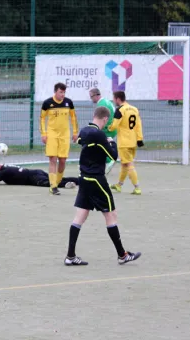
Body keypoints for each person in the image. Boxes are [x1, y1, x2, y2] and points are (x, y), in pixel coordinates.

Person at [64, 106, 141, 266]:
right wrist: (111, 142)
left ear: (94, 116)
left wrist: (101, 143)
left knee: (80, 217)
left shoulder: (84, 131)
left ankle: (70, 256)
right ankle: (122, 255)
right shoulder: (99, 135)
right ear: (105, 119)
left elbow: (80, 141)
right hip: (97, 180)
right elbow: (113, 156)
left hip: (84, 178)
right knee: (111, 215)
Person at [40, 82, 78, 195]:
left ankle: (57, 182)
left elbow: (73, 118)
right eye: (60, 92)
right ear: (55, 91)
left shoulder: (68, 103)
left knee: (62, 160)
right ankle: (53, 186)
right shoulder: (47, 103)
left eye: (64, 92)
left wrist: (75, 132)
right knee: (53, 159)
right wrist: (44, 133)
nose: (62, 94)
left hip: (65, 135)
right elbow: (42, 119)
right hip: (52, 134)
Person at [108, 90, 144, 195]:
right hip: (133, 141)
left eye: (114, 99)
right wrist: (139, 139)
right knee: (124, 163)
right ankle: (119, 185)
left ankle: (137, 187)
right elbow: (138, 125)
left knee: (128, 164)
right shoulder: (135, 109)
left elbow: (114, 125)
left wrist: (108, 128)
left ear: (118, 99)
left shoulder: (120, 110)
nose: (114, 101)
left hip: (124, 142)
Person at [0, 161, 79, 188]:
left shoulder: (3, 172)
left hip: (33, 177)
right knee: (57, 178)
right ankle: (79, 180)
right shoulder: (5, 168)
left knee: (47, 183)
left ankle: (65, 185)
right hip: (35, 171)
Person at [89, 87, 117, 174]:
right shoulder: (107, 101)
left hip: (107, 128)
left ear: (96, 95)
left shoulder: (101, 104)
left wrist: (99, 128)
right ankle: (105, 162)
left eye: (91, 96)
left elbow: (103, 118)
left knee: (97, 144)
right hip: (112, 128)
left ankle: (109, 161)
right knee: (102, 145)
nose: (91, 99)